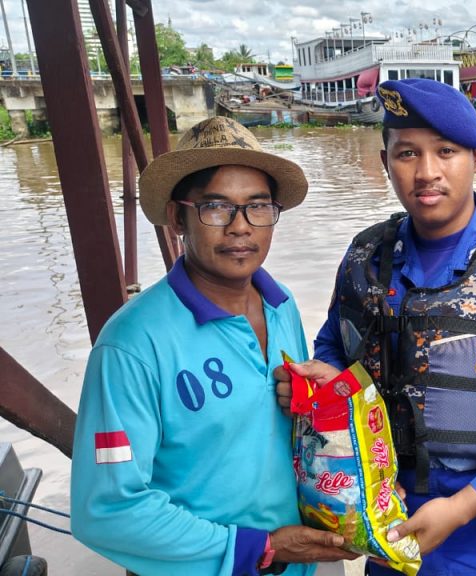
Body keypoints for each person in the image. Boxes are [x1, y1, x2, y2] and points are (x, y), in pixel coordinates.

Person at [278, 78, 476, 575]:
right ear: (385, 163)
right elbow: (336, 345)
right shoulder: (365, 259)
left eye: (445, 151)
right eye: (407, 154)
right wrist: (320, 378)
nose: (427, 172)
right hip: (385, 532)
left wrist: (462, 508)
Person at [70, 116, 359, 576]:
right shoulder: (132, 345)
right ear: (176, 218)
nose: (241, 227)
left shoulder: (280, 305)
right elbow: (106, 510)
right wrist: (262, 548)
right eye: (216, 208)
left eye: (258, 207)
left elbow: (288, 441)